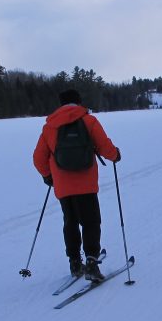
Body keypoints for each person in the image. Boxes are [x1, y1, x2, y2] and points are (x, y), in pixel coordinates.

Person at [34, 89, 120, 282]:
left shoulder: (50, 127)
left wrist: (48, 176)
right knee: (91, 222)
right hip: (86, 183)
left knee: (70, 222)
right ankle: (91, 262)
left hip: (63, 186)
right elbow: (105, 146)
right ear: (78, 102)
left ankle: (74, 262)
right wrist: (115, 155)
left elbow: (38, 158)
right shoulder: (88, 121)